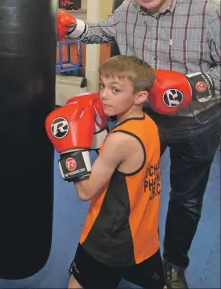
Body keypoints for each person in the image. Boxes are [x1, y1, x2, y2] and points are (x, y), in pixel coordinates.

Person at [57, 0, 221, 289]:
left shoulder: (207, 12)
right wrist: (68, 25)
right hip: (145, 122)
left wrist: (194, 85)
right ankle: (129, 253)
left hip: (197, 121)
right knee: (125, 190)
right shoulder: (127, 11)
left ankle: (174, 263)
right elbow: (97, 32)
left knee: (186, 199)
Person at [46, 56, 165, 289]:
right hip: (145, 234)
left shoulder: (120, 140)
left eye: (115, 89)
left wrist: (70, 150)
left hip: (108, 240)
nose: (103, 94)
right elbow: (122, 167)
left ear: (140, 96)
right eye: (102, 85)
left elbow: (85, 191)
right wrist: (99, 130)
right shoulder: (148, 124)